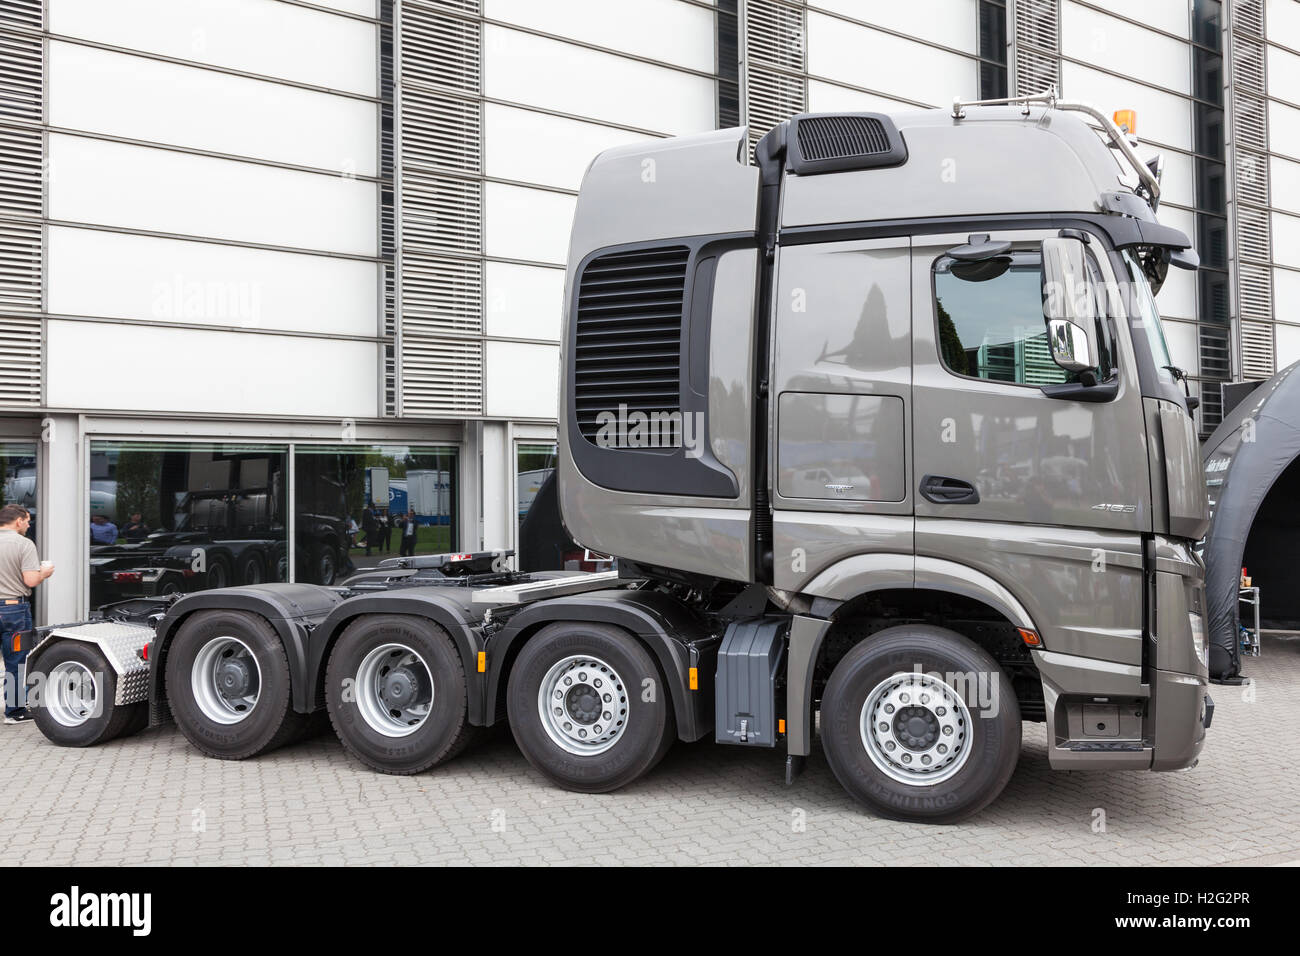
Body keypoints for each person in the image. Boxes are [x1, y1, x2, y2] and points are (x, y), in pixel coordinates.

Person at [0, 504, 53, 724]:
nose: (29, 524)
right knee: (16, 661)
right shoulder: (23, 544)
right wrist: (45, 573)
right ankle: (14, 712)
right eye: (28, 520)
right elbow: (30, 580)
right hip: (14, 610)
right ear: (18, 521)